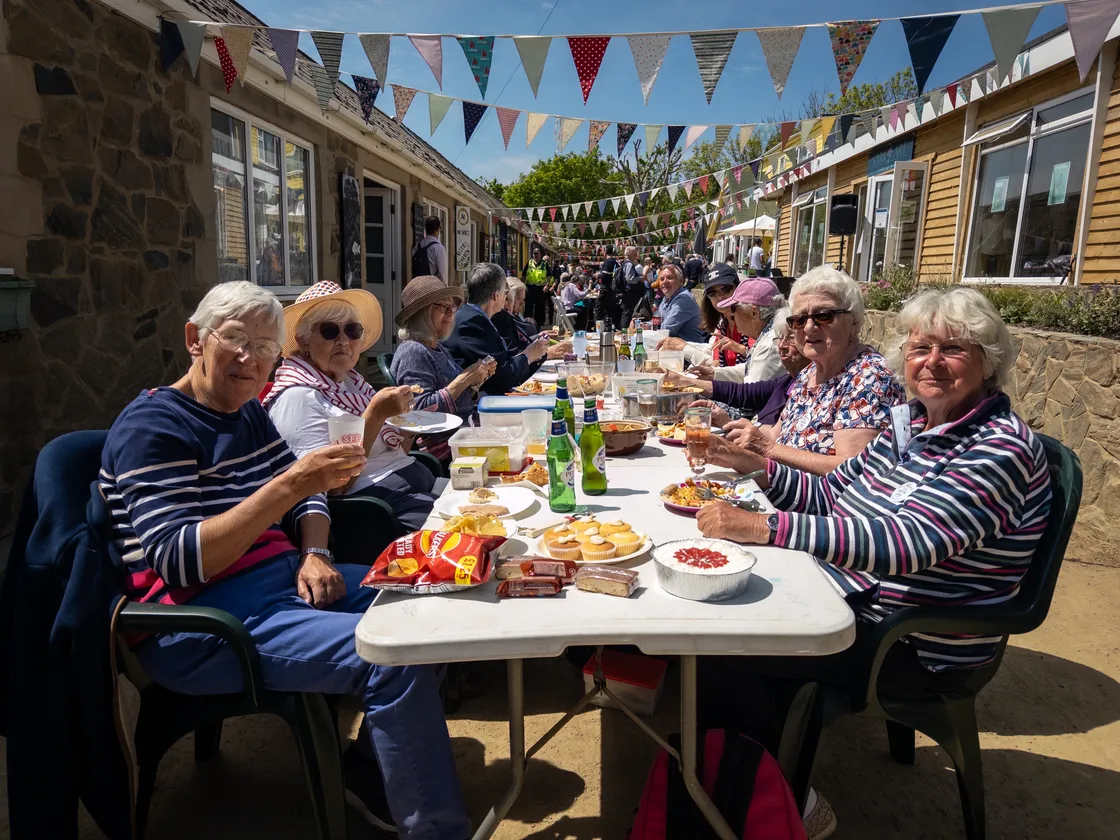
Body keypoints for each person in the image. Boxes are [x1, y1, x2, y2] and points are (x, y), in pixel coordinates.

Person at [99, 281, 470, 839]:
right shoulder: (152, 426)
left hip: (277, 585)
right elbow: (179, 561)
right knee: (395, 656)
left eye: (266, 347)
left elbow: (310, 491)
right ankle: (436, 830)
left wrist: (315, 551)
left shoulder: (245, 413)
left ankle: (373, 769)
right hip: (204, 622)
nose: (251, 360)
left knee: (430, 601)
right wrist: (290, 484)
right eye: (236, 341)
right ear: (194, 340)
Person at [696, 288, 1053, 838]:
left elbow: (904, 543)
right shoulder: (910, 423)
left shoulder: (999, 450)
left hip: (912, 638)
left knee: (728, 647)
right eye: (919, 348)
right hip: (854, 596)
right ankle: (743, 773)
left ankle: (788, 804)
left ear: (988, 361)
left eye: (953, 350)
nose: (931, 363)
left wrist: (765, 525)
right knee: (717, 620)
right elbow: (836, 491)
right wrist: (761, 470)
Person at [263, 281, 439, 533]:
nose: (343, 341)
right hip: (374, 514)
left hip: (413, 487)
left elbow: (391, 450)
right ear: (303, 340)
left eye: (353, 331)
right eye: (329, 331)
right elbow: (331, 487)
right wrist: (375, 414)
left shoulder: (351, 382)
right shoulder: (298, 397)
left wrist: (409, 428)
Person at [719, 266, 905, 476]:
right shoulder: (810, 373)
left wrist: (769, 450)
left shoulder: (869, 376)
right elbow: (774, 435)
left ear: (853, 320)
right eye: (798, 319)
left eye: (823, 316)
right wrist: (731, 426)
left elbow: (853, 470)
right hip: (776, 487)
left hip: (815, 506)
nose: (808, 327)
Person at [391, 275, 496, 459]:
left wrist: (475, 381)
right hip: (444, 445)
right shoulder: (413, 351)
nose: (450, 313)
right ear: (421, 313)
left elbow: (455, 397)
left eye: (452, 307)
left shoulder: (436, 347)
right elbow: (419, 412)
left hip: (463, 432)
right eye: (442, 306)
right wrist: (464, 380)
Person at [443, 262, 570, 395]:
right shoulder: (472, 322)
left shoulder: (476, 316)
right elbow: (500, 377)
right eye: (505, 292)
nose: (506, 298)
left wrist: (532, 355)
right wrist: (528, 355)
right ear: (495, 295)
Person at [672, 306, 809, 427]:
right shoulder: (789, 381)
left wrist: (690, 386)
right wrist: (689, 381)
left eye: (733, 308)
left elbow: (749, 408)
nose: (781, 346)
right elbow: (744, 392)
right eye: (780, 338)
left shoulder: (769, 348)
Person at [653, 262, 705, 342]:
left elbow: (666, 330)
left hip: (692, 348)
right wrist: (643, 325)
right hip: (676, 348)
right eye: (662, 279)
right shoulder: (666, 298)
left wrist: (650, 329)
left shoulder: (684, 299)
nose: (665, 282)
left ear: (681, 281)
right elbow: (658, 321)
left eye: (669, 278)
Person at [493, 277, 535, 352]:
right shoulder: (501, 318)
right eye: (519, 299)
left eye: (523, 300)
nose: (522, 304)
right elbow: (514, 352)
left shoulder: (515, 316)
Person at [411, 216, 446, 282]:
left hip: (418, 286)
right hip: (432, 286)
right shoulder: (439, 248)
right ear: (438, 229)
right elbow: (442, 274)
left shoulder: (417, 247)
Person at [522, 244, 550, 327]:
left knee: (540, 307)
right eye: (534, 253)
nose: (535, 255)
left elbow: (549, 276)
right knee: (528, 306)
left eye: (537, 253)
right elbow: (524, 275)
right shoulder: (529, 263)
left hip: (541, 288)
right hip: (530, 287)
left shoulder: (545, 264)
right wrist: (521, 286)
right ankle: (527, 322)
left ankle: (539, 324)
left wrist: (547, 286)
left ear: (541, 254)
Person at [619, 246, 647, 328]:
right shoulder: (629, 264)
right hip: (629, 292)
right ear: (629, 254)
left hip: (627, 292)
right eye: (635, 254)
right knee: (627, 312)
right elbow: (630, 279)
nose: (636, 255)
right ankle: (624, 331)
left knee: (627, 312)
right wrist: (640, 278)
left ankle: (624, 330)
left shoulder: (626, 264)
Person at [596, 244, 622, 329]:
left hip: (605, 289)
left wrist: (598, 276)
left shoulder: (607, 262)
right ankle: (608, 328)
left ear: (605, 251)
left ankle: (598, 330)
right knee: (609, 311)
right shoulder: (615, 262)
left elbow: (604, 276)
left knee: (598, 310)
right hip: (612, 291)